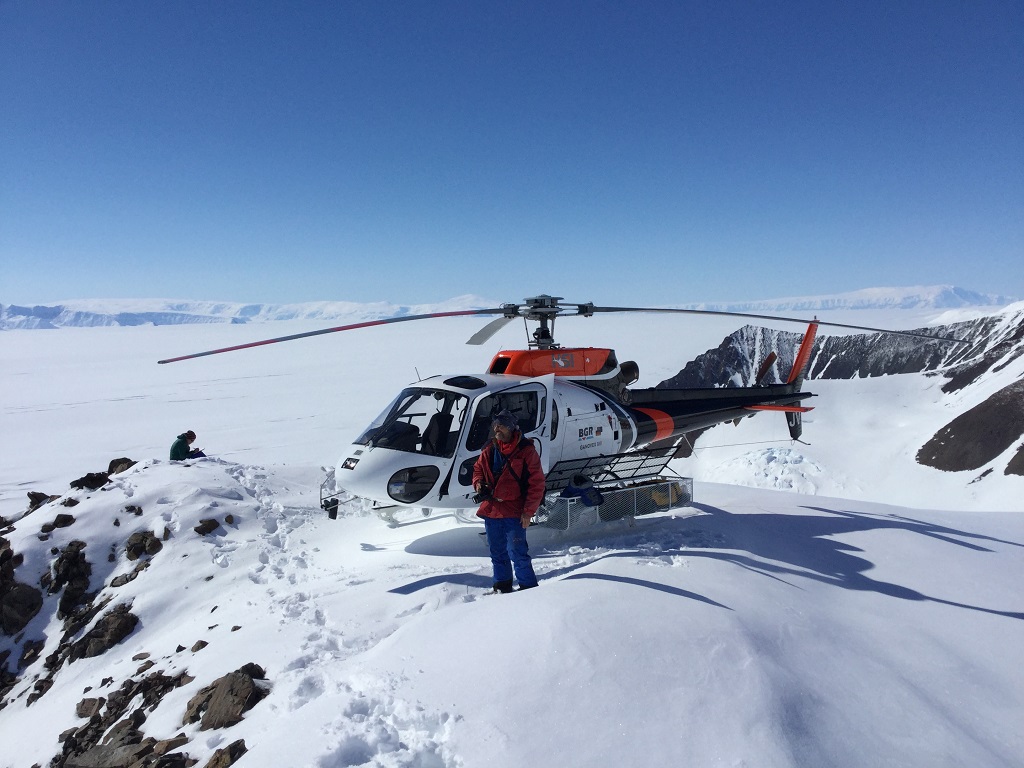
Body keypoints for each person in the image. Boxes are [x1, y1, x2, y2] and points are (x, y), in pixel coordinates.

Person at [472, 410, 546, 593]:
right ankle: (502, 587)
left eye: (502, 424)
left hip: (515, 511)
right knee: (497, 553)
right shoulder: (489, 449)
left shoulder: (526, 451)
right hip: (492, 509)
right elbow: (477, 470)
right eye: (495, 424)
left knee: (518, 554)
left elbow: (537, 483)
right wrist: (478, 483)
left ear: (512, 428)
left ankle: (529, 589)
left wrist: (528, 512)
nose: (497, 428)